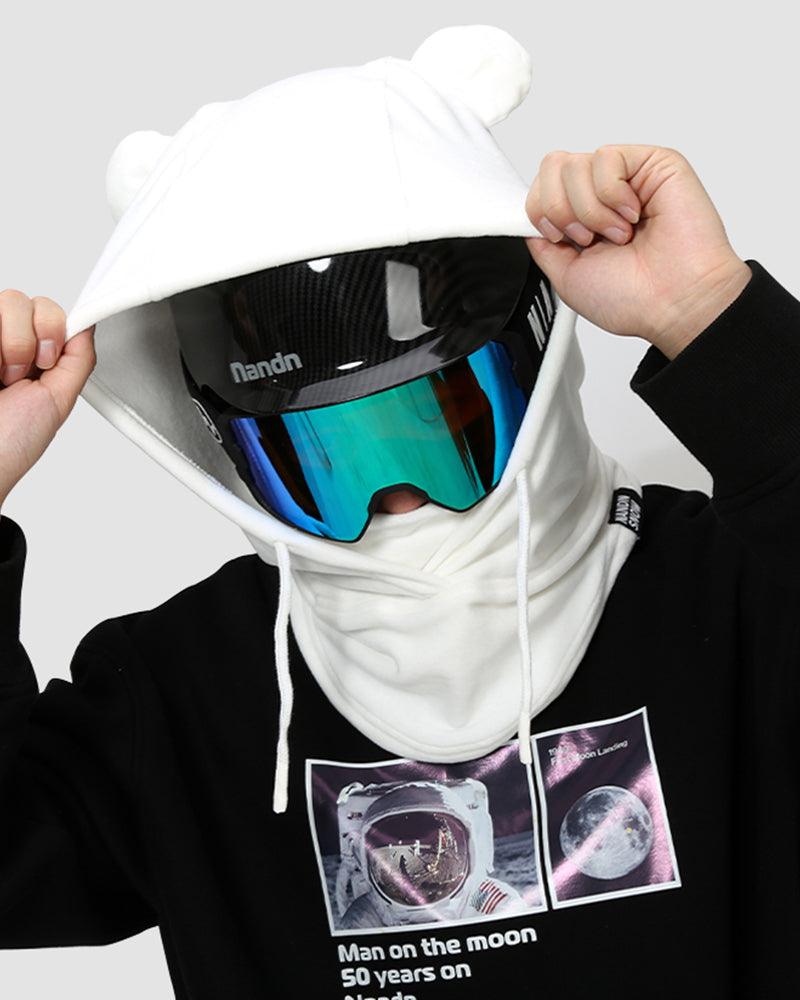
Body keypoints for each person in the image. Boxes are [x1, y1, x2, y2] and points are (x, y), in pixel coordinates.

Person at [1, 23, 798, 1000]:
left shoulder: (736, 594)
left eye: (439, 422)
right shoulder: (185, 693)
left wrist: (708, 313)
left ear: (534, 366)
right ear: (232, 451)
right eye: (326, 458)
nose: (398, 496)